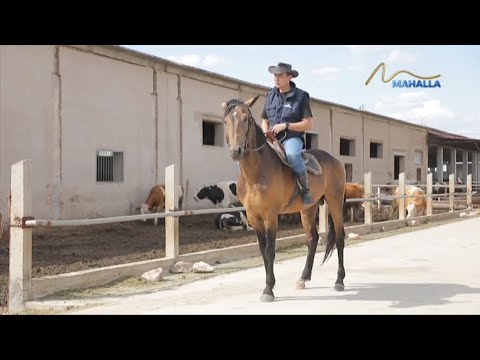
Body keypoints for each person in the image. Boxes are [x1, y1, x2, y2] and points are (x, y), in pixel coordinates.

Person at [260, 62, 314, 205]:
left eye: (280, 75)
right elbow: (264, 120)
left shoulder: (301, 97)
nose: (276, 78)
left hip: (291, 138)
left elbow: (308, 124)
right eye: (275, 75)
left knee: (293, 155)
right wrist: (265, 130)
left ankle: (305, 190)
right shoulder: (269, 96)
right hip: (271, 138)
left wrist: (286, 125)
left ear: (290, 77)